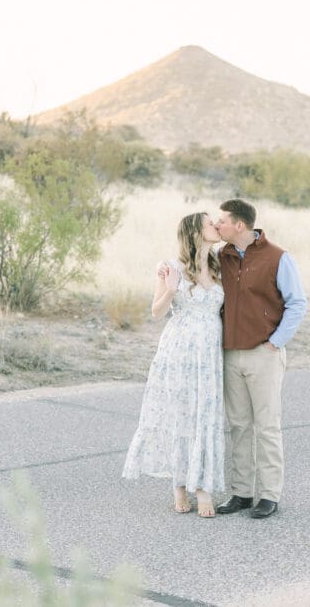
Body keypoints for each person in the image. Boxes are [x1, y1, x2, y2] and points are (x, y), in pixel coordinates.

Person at [122, 212, 226, 517]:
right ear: (195, 232)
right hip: (179, 350)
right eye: (209, 223)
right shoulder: (172, 267)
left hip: (209, 352)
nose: (215, 226)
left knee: (205, 414)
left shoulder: (221, 263)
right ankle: (179, 484)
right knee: (181, 414)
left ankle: (202, 486)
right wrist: (169, 287)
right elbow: (156, 312)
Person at [213, 199, 307, 519]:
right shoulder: (222, 256)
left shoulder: (277, 257)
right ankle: (241, 492)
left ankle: (269, 495)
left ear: (239, 225)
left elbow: (297, 303)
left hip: (263, 354)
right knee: (239, 426)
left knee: (267, 426)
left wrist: (275, 343)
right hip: (230, 353)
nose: (217, 225)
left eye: (222, 221)